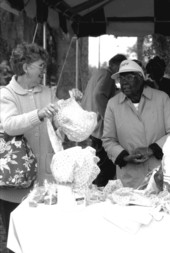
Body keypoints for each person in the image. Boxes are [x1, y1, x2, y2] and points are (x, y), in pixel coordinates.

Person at [0, 42, 81, 251]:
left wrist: (72, 104)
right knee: (17, 242)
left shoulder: (46, 92)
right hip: (15, 183)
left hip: (45, 180)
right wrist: (38, 114)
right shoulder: (6, 94)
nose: (44, 70)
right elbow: (9, 125)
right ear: (26, 67)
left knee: (44, 241)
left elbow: (59, 122)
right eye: (40, 65)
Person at [102, 59, 170, 189]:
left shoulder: (162, 99)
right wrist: (125, 157)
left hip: (160, 172)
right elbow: (108, 139)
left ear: (141, 78)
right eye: (121, 78)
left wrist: (152, 150)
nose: (124, 82)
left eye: (129, 77)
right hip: (130, 177)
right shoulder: (113, 104)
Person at [81, 54, 127, 187]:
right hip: (99, 127)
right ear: (113, 65)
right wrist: (109, 119)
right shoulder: (108, 75)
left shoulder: (99, 73)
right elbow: (99, 95)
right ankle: (100, 193)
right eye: (120, 67)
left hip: (91, 124)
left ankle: (95, 190)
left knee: (97, 164)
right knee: (105, 167)